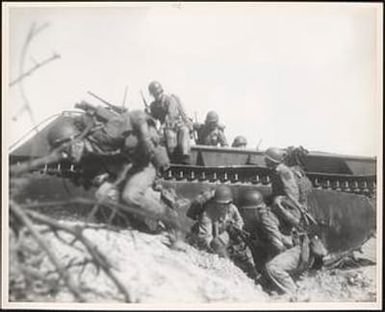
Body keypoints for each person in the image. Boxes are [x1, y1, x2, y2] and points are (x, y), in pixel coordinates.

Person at [47, 107, 171, 229]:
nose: (64, 155)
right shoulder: (85, 156)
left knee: (130, 196)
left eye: (65, 149)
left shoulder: (106, 134)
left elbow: (137, 115)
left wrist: (146, 138)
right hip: (124, 171)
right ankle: (134, 225)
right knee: (102, 195)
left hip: (143, 166)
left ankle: (170, 219)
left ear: (76, 140)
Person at [187, 185, 259, 281]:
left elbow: (239, 221)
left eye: (226, 204)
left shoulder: (232, 208)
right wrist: (215, 251)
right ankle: (228, 267)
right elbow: (206, 237)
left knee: (244, 247)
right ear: (215, 203)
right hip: (209, 238)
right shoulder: (207, 213)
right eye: (220, 204)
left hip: (225, 235)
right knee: (217, 245)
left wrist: (235, 230)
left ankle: (253, 270)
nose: (223, 207)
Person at [264, 147, 314, 235]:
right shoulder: (277, 170)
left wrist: (294, 206)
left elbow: (291, 190)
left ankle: (295, 224)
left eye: (267, 159)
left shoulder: (284, 171)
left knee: (275, 205)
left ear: (272, 160)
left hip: (288, 204)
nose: (265, 161)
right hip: (285, 200)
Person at [147, 81, 193, 164]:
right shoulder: (153, 105)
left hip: (178, 126)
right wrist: (147, 115)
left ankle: (184, 158)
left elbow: (171, 115)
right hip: (166, 129)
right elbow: (153, 120)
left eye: (158, 93)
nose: (157, 96)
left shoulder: (170, 100)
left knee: (176, 133)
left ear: (161, 91)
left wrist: (162, 127)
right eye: (154, 94)